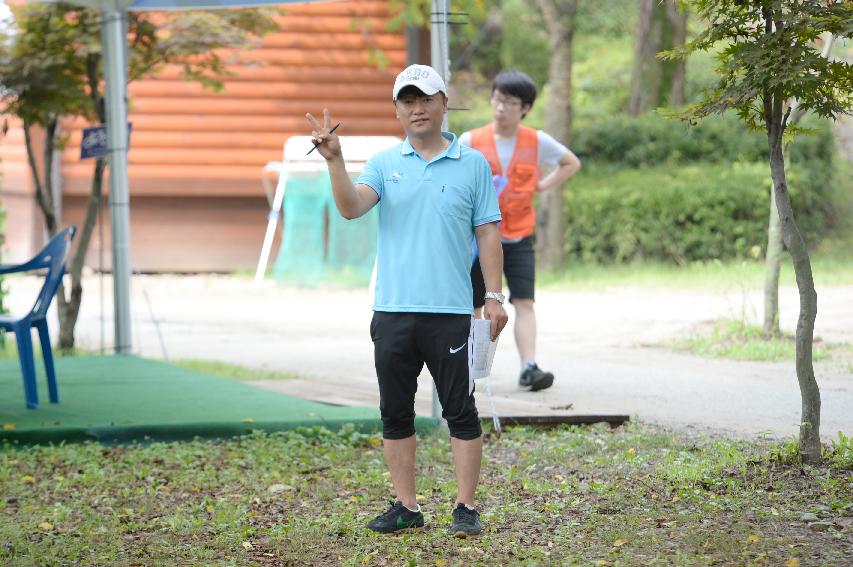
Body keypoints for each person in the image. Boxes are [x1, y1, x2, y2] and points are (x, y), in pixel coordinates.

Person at [305, 64, 508, 538]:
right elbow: (352, 208)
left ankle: (466, 506)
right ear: (397, 110)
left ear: (443, 104)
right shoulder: (383, 163)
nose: (417, 109)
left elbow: (488, 231)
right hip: (393, 310)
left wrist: (494, 296)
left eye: (426, 99)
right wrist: (334, 160)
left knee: (461, 410)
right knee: (395, 411)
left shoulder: (472, 163)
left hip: (451, 311)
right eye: (407, 101)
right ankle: (406, 506)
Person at [460, 70, 581, 392]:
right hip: (478, 240)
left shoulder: (536, 140)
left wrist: (543, 184)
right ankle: (469, 370)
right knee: (473, 305)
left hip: (518, 237)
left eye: (510, 102)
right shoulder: (471, 140)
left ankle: (529, 366)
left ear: (524, 108)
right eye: (497, 99)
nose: (501, 108)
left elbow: (571, 162)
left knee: (524, 302)